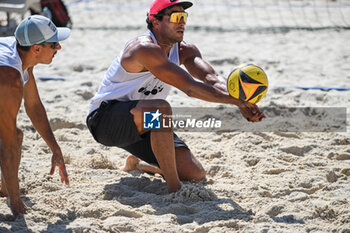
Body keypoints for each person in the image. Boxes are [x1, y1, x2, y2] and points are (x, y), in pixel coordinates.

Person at [86, 0, 265, 193]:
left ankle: (138, 165)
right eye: (176, 17)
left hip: (146, 123)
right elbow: (190, 88)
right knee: (160, 108)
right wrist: (237, 101)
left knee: (195, 173)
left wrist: (241, 99)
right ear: (155, 22)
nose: (182, 23)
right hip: (105, 121)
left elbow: (211, 78)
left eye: (184, 17)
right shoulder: (144, 49)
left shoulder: (185, 50)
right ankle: (174, 189)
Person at [0, 15, 70, 218]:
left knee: (16, 135)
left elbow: (34, 106)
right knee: (12, 137)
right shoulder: (9, 76)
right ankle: (11, 197)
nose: (59, 48)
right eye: (54, 44)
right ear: (36, 49)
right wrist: (17, 203)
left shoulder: (21, 51)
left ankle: (6, 189)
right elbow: (6, 146)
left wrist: (55, 149)